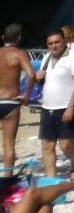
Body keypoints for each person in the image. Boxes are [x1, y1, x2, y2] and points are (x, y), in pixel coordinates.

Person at [36, 29, 74, 176]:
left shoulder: (73, 58)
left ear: (64, 41)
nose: (53, 45)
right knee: (47, 145)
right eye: (50, 43)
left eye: (57, 42)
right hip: (47, 107)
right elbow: (45, 82)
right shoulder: (46, 58)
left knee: (65, 144)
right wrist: (39, 78)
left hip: (67, 107)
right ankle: (51, 179)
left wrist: (70, 108)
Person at [0, 23, 35, 174]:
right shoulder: (19, 54)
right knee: (9, 144)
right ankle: (7, 181)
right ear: (19, 38)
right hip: (10, 101)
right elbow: (32, 74)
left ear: (2, 38)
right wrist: (26, 94)